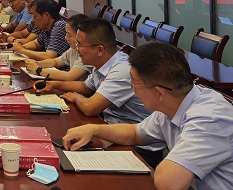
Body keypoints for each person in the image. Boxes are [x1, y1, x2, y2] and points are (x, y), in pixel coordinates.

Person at [63, 43, 233, 189]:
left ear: (159, 92)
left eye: (134, 83)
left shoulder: (209, 119)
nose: (132, 88)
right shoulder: (174, 102)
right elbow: (134, 133)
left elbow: (169, 183)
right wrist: (93, 129)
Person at [47, 18, 164, 166]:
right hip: (112, 132)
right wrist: (55, 84)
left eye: (79, 44)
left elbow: (90, 107)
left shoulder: (121, 70)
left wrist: (76, 98)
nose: (76, 48)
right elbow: (85, 87)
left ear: (100, 50)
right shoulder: (102, 63)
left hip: (139, 148)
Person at [24, 14, 93, 81]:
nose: (66, 38)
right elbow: (56, 61)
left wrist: (38, 70)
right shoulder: (73, 49)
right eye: (66, 33)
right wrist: (37, 63)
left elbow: (69, 76)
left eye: (70, 35)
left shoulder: (87, 54)